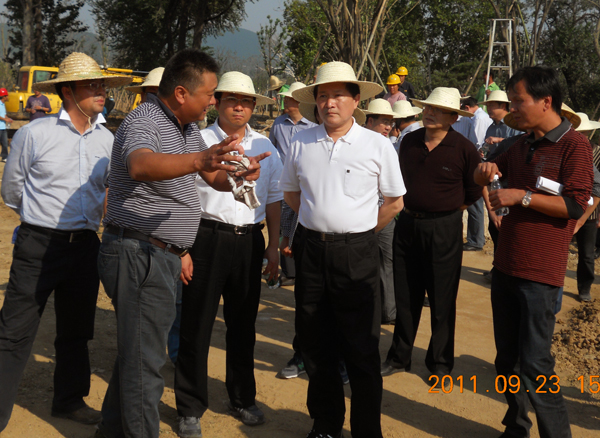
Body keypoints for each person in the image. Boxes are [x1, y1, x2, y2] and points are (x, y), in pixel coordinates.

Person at [96, 49, 266, 438]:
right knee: (146, 362)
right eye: (209, 94)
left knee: (139, 353)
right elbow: (140, 165)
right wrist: (198, 161)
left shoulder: (186, 128)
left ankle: (110, 431)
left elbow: (212, 179)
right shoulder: (146, 119)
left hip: (158, 254)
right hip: (138, 251)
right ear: (180, 93)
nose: (213, 101)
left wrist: (240, 178)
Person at [0, 52, 132, 432]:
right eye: (93, 85)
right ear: (68, 91)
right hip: (38, 245)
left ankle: (69, 401)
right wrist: (37, 221)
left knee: (76, 331)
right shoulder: (34, 134)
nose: (102, 91)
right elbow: (12, 191)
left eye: (102, 85)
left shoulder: (107, 140)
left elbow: (108, 189)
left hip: (86, 246)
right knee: (15, 331)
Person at [282, 61, 405, 438]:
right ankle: (325, 423)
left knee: (361, 346)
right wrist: (321, 223)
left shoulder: (376, 144)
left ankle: (367, 429)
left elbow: (394, 202)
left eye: (338, 95)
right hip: (311, 252)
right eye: (323, 96)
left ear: (356, 101)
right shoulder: (301, 142)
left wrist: (359, 233)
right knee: (315, 342)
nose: (329, 103)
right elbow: (292, 195)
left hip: (358, 253)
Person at [474, 66, 593, 438]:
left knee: (536, 364)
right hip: (506, 267)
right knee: (507, 361)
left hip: (540, 275)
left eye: (518, 101)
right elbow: (485, 174)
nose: (512, 108)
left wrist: (521, 197)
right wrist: (484, 172)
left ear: (546, 102)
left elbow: (575, 205)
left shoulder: (575, 146)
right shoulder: (520, 145)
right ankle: (516, 427)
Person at [175, 71, 282, 437]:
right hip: (206, 238)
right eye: (232, 99)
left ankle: (242, 398)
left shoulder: (265, 145)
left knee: (242, 326)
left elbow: (273, 199)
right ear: (216, 102)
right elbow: (182, 197)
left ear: (254, 106)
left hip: (249, 241)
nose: (239, 106)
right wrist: (183, 247)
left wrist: (273, 246)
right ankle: (190, 407)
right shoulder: (198, 140)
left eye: (246, 101)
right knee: (196, 324)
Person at [381, 87, 482, 383]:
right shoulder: (409, 142)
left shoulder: (464, 148)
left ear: (453, 117)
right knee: (405, 295)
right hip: (407, 225)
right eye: (428, 108)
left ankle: (440, 363)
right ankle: (399, 356)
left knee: (442, 299)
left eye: (438, 110)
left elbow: (474, 190)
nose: (430, 113)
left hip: (444, 229)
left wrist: (446, 210)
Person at [364, 98, 403, 325]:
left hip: (384, 215)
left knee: (386, 263)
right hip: (362, 217)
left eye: (391, 123)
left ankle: (388, 311)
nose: (388, 127)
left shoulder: (388, 146)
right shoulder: (358, 144)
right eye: (384, 122)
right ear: (369, 121)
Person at [573, 112, 600, 302]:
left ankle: (585, 287)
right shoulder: (568, 148)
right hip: (568, 207)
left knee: (587, 253)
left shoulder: (597, 153)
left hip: (591, 212)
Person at [461, 96, 492, 252]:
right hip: (479, 162)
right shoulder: (481, 117)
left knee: (475, 202)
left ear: (467, 108)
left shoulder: (478, 119)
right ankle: (475, 238)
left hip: (477, 162)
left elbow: (478, 143)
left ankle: (476, 240)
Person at [0, 88, 13, 162]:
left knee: (5, 143)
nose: (8, 97)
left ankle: (4, 157)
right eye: (7, 96)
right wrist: (5, 120)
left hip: (3, 127)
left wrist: (8, 119)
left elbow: (4, 115)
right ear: (3, 96)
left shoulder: (3, 104)